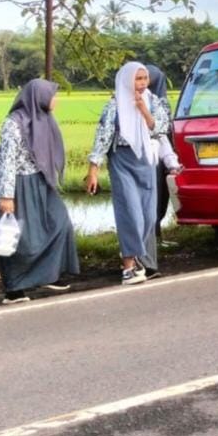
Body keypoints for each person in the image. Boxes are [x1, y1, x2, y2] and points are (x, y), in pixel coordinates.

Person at [0, 79, 79, 304]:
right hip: (18, 186)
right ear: (39, 96)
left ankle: (47, 274)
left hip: (41, 183)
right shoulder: (13, 124)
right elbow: (6, 161)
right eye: (53, 95)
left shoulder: (44, 120)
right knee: (21, 240)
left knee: (60, 223)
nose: (56, 100)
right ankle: (14, 289)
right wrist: (6, 196)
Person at [85, 62, 170, 285]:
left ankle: (141, 260)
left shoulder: (153, 101)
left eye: (145, 78)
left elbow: (160, 128)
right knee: (131, 214)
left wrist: (143, 111)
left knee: (149, 216)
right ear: (126, 80)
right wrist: (93, 170)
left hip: (146, 161)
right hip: (122, 160)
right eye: (137, 79)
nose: (142, 83)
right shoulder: (114, 105)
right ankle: (128, 267)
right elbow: (102, 137)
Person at [145, 64, 183, 247]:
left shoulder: (152, 101)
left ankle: (154, 237)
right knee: (157, 196)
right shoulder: (158, 102)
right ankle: (153, 239)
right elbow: (164, 132)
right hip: (157, 155)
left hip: (159, 154)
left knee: (156, 196)